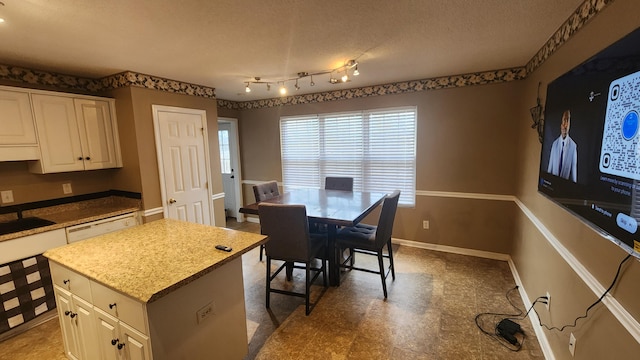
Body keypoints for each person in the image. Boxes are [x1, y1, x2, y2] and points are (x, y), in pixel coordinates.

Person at [548, 110, 577, 182]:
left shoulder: (573, 147)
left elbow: (574, 176)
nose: (565, 125)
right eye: (564, 121)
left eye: (568, 121)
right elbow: (549, 170)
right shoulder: (554, 144)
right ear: (560, 125)